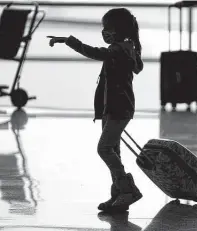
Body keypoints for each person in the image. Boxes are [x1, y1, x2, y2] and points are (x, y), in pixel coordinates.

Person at [48, 8, 144, 213]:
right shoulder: (126, 47)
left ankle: (127, 190)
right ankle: (118, 196)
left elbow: (95, 52)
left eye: (108, 28)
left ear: (119, 29)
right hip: (112, 107)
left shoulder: (121, 49)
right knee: (114, 150)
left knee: (104, 149)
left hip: (120, 107)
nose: (104, 32)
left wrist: (69, 41)